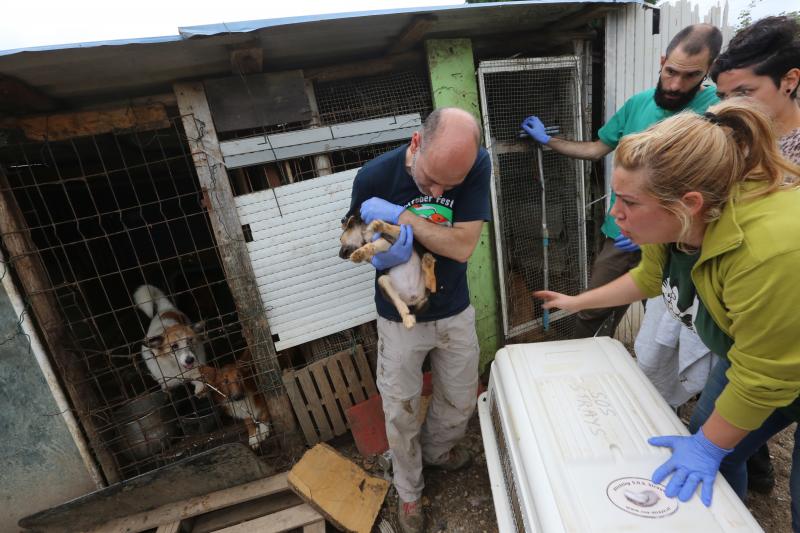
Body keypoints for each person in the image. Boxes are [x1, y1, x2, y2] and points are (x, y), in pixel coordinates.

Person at [534, 98, 800, 509]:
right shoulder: (680, 226)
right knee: (712, 437)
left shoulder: (769, 251)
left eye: (630, 203)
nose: (615, 214)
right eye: (616, 197)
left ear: (689, 203)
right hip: (754, 358)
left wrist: (710, 447)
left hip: (773, 363)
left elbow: (762, 376)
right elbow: (649, 278)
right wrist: (577, 300)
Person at [521, 23, 722, 338]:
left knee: (671, 323)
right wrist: (549, 140)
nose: (675, 84)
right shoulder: (639, 104)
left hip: (679, 240)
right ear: (661, 61)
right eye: (670, 71)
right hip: (624, 233)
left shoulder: (716, 110)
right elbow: (596, 149)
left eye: (690, 76)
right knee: (592, 312)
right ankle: (582, 369)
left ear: (709, 71)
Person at [344, 107, 490, 533]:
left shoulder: (476, 163)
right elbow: (351, 242)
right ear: (415, 143)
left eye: (451, 185)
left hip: (455, 308)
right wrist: (375, 246)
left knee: (462, 401)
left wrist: (405, 217)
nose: (441, 189)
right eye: (430, 181)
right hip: (398, 316)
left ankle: (437, 452)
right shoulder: (373, 177)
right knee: (400, 409)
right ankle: (409, 492)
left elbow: (462, 247)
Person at [709, 15, 800, 529]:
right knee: (725, 445)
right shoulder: (738, 141)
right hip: (752, 324)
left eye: (745, 91)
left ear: (790, 79)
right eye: (722, 94)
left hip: (788, 319)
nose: (728, 108)